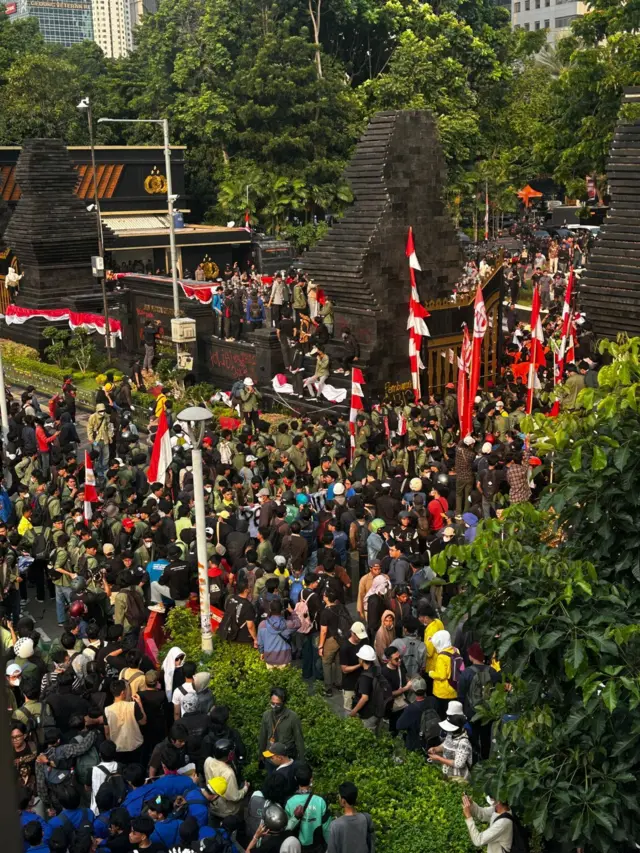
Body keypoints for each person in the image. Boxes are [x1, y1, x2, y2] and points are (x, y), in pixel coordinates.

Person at [284, 762, 332, 852]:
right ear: (311, 780)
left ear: (295, 779)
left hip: (297, 847)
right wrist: (328, 846)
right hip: (317, 846)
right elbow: (326, 828)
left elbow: (286, 827)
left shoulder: (289, 802)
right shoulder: (320, 801)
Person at [258, 688, 305, 761]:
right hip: (270, 756)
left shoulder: (293, 717)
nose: (275, 706)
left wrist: (301, 762)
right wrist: (261, 755)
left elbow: (299, 741)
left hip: (285, 757)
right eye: (272, 703)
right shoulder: (266, 715)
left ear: (283, 702)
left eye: (278, 704)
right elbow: (263, 737)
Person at [326, 782, 374, 853]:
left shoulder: (335, 825)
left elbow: (331, 850)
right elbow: (371, 845)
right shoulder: (366, 818)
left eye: (339, 796)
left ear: (343, 801)